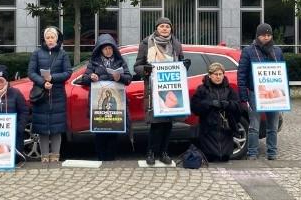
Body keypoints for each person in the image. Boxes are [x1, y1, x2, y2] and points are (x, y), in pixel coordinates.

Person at [134, 16, 188, 166]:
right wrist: (146, 70)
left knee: (168, 124)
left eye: (167, 26)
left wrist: (185, 65)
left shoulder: (176, 44)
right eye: (162, 26)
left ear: (171, 29)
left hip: (171, 88)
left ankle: (164, 152)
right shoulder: (146, 43)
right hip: (153, 89)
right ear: (156, 28)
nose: (165, 28)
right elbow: (137, 66)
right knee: (156, 124)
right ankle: (151, 152)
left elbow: (181, 63)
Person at [79, 33, 132, 161]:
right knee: (100, 132)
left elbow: (129, 78)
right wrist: (91, 77)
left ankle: (111, 159)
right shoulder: (94, 62)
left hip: (116, 104)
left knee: (114, 132)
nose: (108, 51)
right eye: (105, 48)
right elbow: (83, 79)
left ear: (113, 49)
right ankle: (101, 158)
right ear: (100, 49)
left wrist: (120, 77)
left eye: (110, 48)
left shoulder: (120, 61)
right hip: (98, 104)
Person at [237, 22, 284, 160]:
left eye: (269, 35)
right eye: (263, 35)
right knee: (254, 126)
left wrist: (284, 94)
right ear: (258, 36)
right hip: (254, 93)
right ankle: (252, 152)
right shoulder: (248, 51)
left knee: (272, 126)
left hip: (274, 93)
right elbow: (242, 74)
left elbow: (282, 73)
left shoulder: (277, 51)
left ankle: (272, 152)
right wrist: (244, 96)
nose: (266, 37)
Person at [27, 26, 72, 163]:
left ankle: (55, 155)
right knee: (42, 127)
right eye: (48, 37)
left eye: (53, 37)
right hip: (41, 95)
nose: (50, 40)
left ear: (57, 39)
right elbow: (31, 72)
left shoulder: (63, 54)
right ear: (44, 39)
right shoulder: (37, 53)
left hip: (57, 94)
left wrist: (53, 78)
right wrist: (42, 82)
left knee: (56, 128)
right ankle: (44, 155)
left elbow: (68, 72)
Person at [191, 62, 241, 162]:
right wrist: (209, 104)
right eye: (215, 74)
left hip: (225, 128)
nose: (218, 77)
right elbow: (195, 107)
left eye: (220, 74)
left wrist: (226, 104)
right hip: (208, 128)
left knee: (224, 158)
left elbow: (238, 106)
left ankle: (224, 154)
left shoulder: (229, 89)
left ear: (223, 74)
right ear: (210, 75)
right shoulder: (202, 89)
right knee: (211, 157)